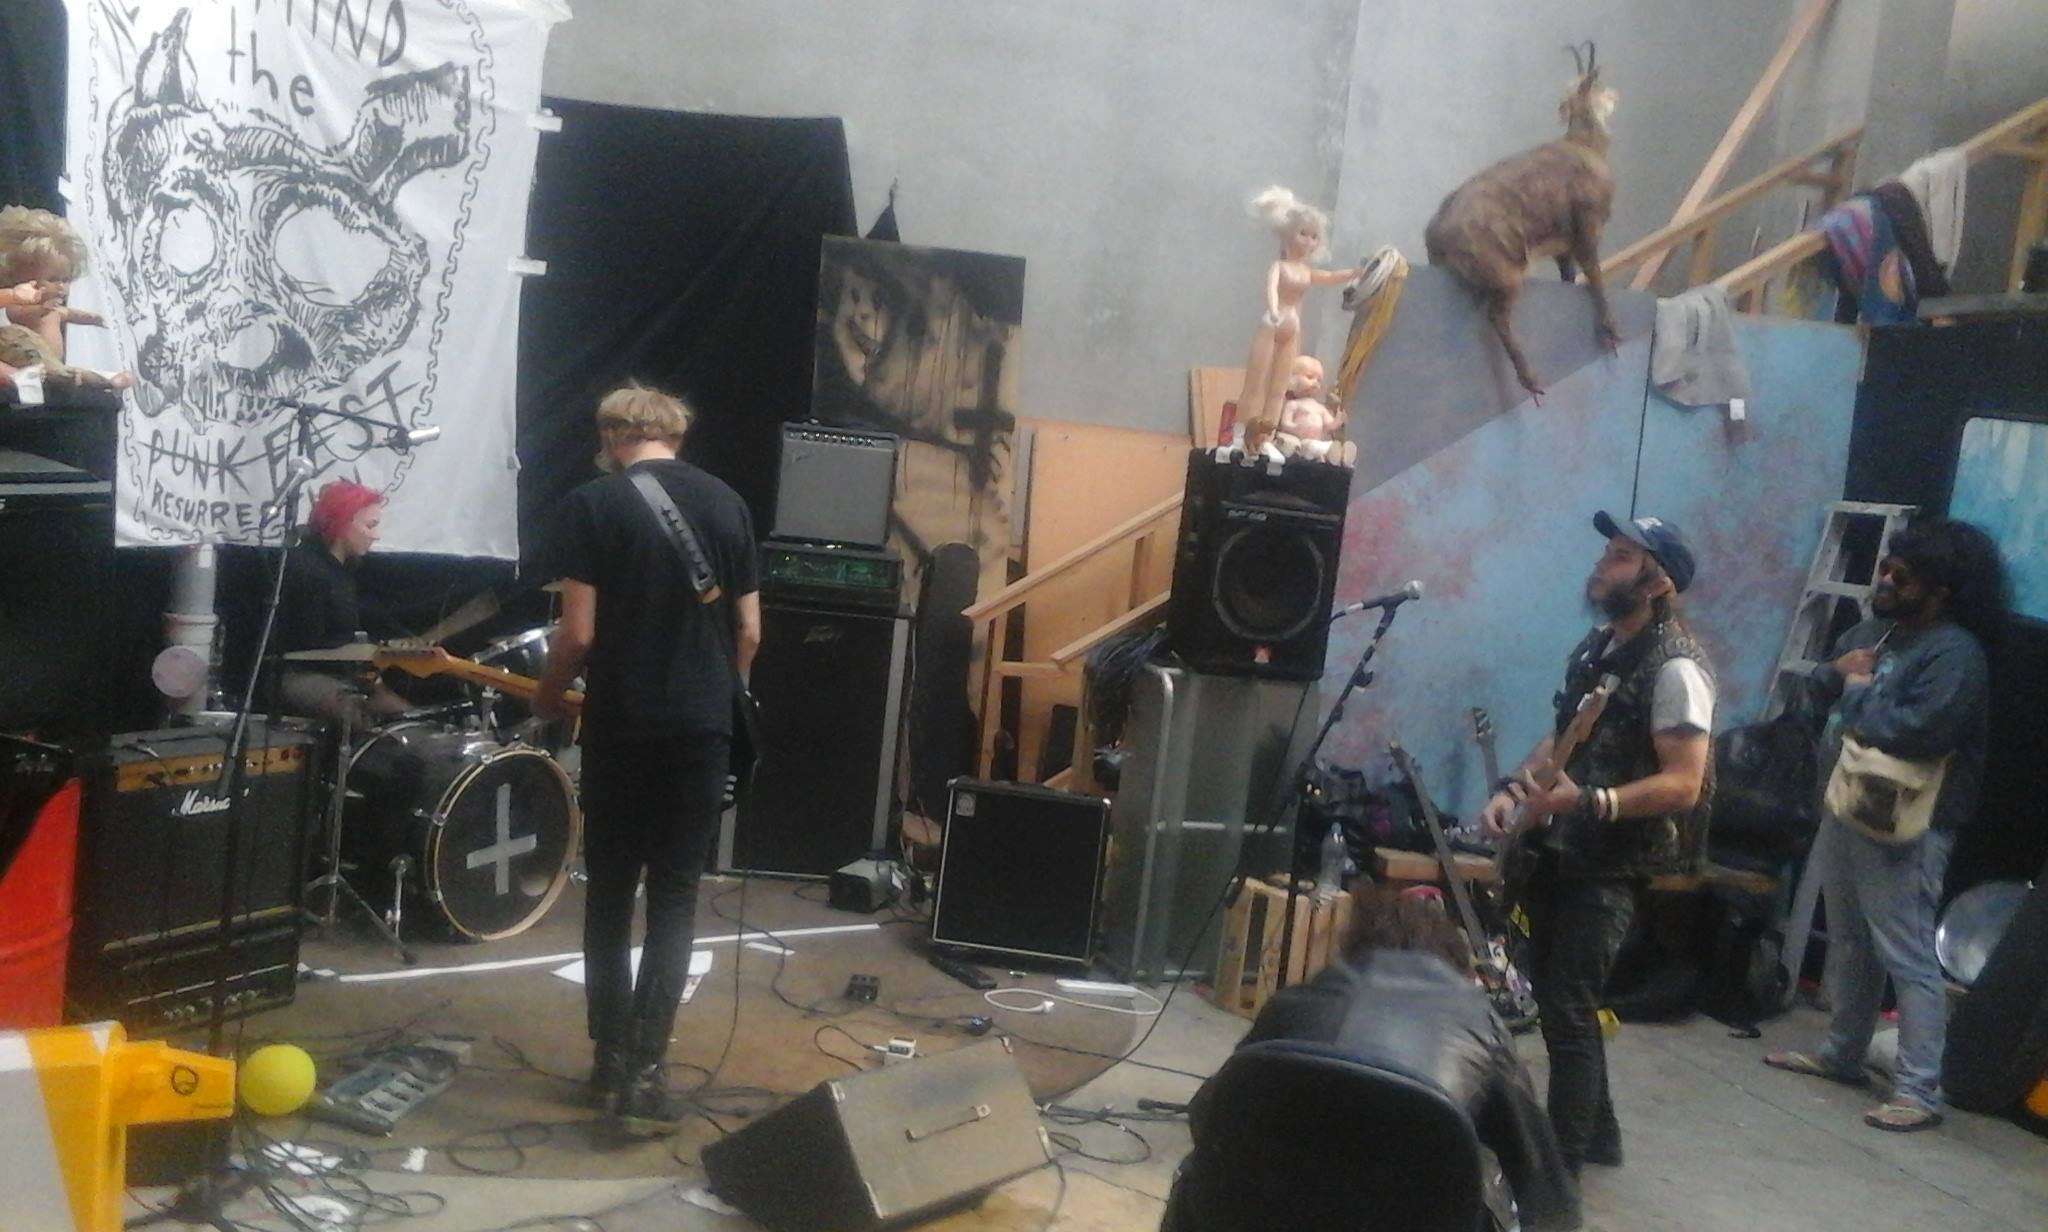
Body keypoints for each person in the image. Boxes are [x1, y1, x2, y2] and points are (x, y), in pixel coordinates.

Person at [533, 383, 761, 1138]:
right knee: (675, 897)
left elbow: (579, 633)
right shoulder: (727, 503)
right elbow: (750, 632)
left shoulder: (593, 505)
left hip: (622, 723)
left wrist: (548, 697)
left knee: (608, 894)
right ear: (674, 434)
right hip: (701, 728)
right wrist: (721, 694)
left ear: (611, 436)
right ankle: (647, 1072)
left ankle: (607, 1060)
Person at [1478, 512, 1715, 1175]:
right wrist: (1515, 788)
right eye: (1607, 552)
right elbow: (1563, 739)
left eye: (1620, 557)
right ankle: (1600, 1137)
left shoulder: (1677, 671)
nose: (1601, 565)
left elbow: (1684, 783)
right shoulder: (1598, 649)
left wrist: (1589, 802)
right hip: (1563, 850)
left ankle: (1559, 1170)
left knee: (1567, 1010)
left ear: (1657, 582)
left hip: (1615, 863)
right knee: (1565, 1002)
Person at [1764, 518, 2002, 1132]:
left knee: (1906, 952)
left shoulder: (1955, 654)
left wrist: (1856, 692)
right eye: (1886, 567)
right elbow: (1818, 695)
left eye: (1904, 574)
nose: (1887, 579)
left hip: (1910, 826)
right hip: (1847, 805)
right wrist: (1834, 674)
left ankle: (1919, 1091)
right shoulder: (1875, 631)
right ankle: (1842, 1053)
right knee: (1850, 938)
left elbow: (1918, 731)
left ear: (1942, 591)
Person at [1167, 887, 1581, 1231]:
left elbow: (1207, 1115)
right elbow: (1543, 1189)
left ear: (1352, 949)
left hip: (1265, 1218)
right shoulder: (1483, 1026)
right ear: (1454, 965)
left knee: (1196, 1170)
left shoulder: (1291, 1005)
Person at [274, 479, 410, 726]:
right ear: (342, 524)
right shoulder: (307, 571)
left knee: (404, 714)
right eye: (370, 526)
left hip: (332, 672)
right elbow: (309, 643)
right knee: (365, 715)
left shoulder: (343, 571)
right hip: (294, 674)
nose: (376, 535)